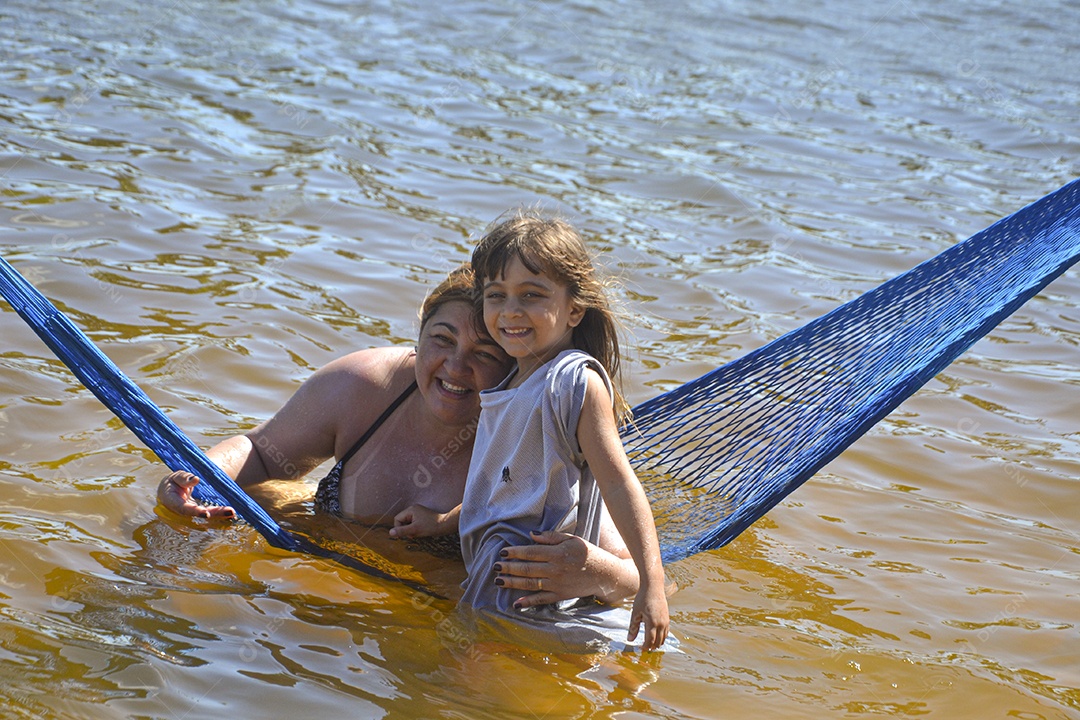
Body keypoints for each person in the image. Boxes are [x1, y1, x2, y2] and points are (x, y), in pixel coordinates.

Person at [157, 264, 641, 606]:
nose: (455, 367)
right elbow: (260, 453)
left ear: (515, 368)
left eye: (485, 354)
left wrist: (596, 573)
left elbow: (633, 575)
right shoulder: (363, 386)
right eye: (442, 340)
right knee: (170, 560)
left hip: (425, 609)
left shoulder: (533, 439)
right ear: (419, 335)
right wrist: (198, 482)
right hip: (323, 570)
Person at [462, 212, 669, 651]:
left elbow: (618, 482)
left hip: (539, 597)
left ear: (574, 309)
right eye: (496, 295)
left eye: (532, 296)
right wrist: (441, 521)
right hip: (497, 589)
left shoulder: (572, 382)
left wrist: (653, 582)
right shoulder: (507, 385)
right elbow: (504, 490)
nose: (511, 311)